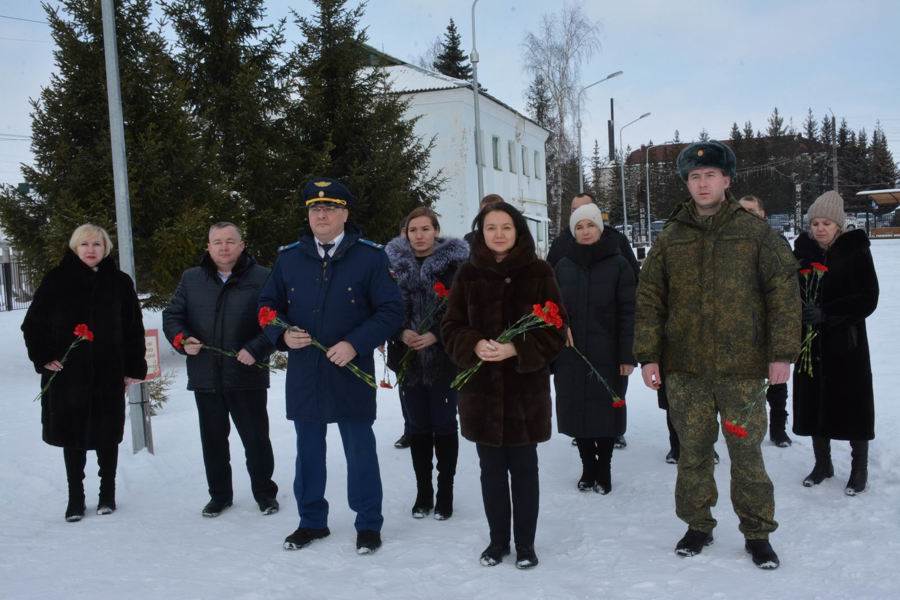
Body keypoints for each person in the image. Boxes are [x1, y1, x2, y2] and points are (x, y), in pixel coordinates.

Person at [634, 140, 800, 570]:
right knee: (692, 452)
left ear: (726, 180)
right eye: (694, 177)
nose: (702, 183)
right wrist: (649, 355)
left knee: (747, 455)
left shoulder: (756, 233)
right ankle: (697, 524)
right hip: (685, 368)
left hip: (742, 369)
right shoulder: (671, 237)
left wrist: (782, 353)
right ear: (686, 184)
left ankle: (758, 532)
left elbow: (783, 296)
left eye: (710, 176)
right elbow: (650, 297)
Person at [258, 177, 404, 555]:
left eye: (330, 208)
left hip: (350, 371)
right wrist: (283, 335)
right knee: (308, 451)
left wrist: (355, 343)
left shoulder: (370, 257)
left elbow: (391, 310)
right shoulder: (289, 257)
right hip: (306, 372)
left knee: (359, 451)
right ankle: (311, 521)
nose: (321, 214)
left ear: (345, 214)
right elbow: (267, 307)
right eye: (315, 209)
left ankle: (368, 524)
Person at [442, 201, 566, 570]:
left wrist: (517, 348)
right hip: (481, 391)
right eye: (491, 227)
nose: (498, 234)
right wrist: (474, 344)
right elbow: (451, 327)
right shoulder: (467, 273)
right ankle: (498, 542)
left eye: (506, 227)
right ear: (481, 232)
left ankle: (526, 544)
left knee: (525, 469)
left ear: (518, 232)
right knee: (490, 470)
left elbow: (555, 330)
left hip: (524, 392)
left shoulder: (539, 271)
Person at [22, 224, 147, 522]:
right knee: (72, 435)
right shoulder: (56, 281)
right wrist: (44, 357)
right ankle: (75, 498)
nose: (91, 250)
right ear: (75, 248)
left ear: (106, 248)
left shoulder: (119, 282)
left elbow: (133, 329)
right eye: (84, 244)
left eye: (97, 244)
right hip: (69, 376)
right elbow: (33, 325)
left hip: (108, 372)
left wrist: (132, 368)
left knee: (107, 435)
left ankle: (107, 494)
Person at [162, 222, 279, 518]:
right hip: (206, 375)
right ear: (208, 247)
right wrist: (181, 339)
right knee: (213, 441)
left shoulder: (263, 277)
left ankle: (265, 493)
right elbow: (173, 315)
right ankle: (219, 495)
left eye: (230, 241)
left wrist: (256, 348)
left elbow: (276, 321)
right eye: (217, 242)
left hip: (246, 375)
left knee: (255, 439)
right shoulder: (191, 279)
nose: (224, 247)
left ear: (242, 246)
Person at [791, 191, 878, 495]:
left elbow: (869, 298)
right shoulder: (802, 253)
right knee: (814, 402)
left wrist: (829, 314)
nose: (819, 228)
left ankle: (859, 469)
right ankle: (822, 464)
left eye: (826, 222)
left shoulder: (855, 251)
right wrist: (800, 311)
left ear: (838, 225)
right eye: (815, 222)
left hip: (846, 344)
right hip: (810, 345)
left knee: (853, 405)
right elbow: (789, 292)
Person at [385, 207, 469, 519]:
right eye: (413, 230)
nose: (419, 236)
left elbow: (464, 309)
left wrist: (436, 335)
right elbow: (383, 306)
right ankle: (424, 493)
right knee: (417, 426)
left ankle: (445, 491)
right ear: (405, 234)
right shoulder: (393, 265)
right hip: (407, 358)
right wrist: (400, 331)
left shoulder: (456, 265)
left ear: (436, 230)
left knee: (445, 425)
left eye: (425, 229)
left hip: (444, 358)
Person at [552, 203, 635, 494]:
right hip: (571, 354)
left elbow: (629, 312)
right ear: (573, 232)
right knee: (578, 412)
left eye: (590, 225)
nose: (585, 231)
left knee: (605, 414)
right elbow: (552, 308)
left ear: (600, 228)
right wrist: (560, 328)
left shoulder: (618, 264)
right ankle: (588, 466)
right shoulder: (562, 265)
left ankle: (605, 467)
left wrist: (628, 356)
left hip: (608, 354)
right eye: (579, 227)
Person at [738, 194, 792, 447]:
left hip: (769, 323)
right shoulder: (731, 243)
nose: (747, 215)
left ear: (763, 215)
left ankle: (778, 428)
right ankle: (742, 426)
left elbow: (786, 289)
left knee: (775, 382)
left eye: (752, 210)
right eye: (742, 211)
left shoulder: (776, 243)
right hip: (740, 326)